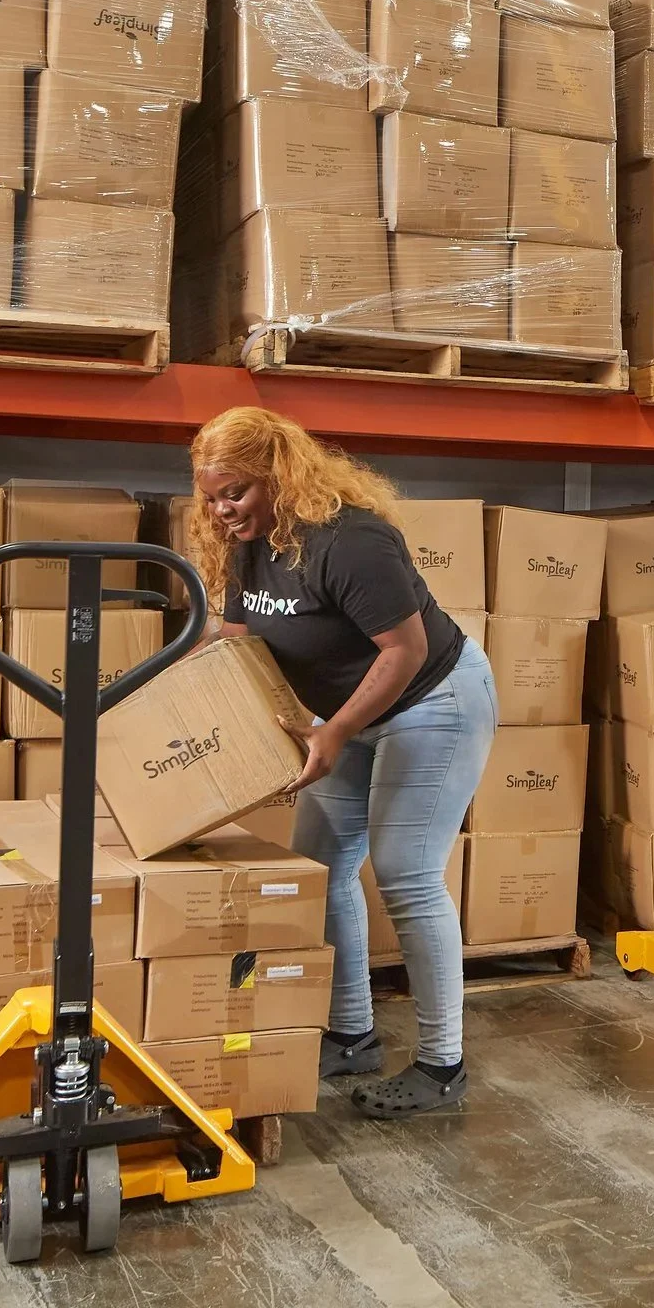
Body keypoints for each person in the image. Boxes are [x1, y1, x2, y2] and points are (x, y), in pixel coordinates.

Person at [187, 406, 497, 1118]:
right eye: (210, 496)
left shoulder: (351, 540)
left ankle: (442, 1065)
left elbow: (405, 651)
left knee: (406, 872)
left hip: (432, 701)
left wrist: (332, 731)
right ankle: (352, 1033)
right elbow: (237, 643)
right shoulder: (249, 542)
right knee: (322, 868)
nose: (220, 509)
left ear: (277, 476)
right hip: (348, 708)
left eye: (233, 492)